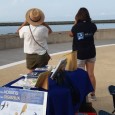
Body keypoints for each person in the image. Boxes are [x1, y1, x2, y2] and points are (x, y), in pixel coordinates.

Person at [69, 7, 97, 100]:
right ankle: (93, 95)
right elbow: (92, 31)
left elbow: (71, 34)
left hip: (80, 54)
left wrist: (76, 23)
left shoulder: (76, 27)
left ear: (78, 16)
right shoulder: (93, 25)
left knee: (80, 75)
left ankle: (83, 96)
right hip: (91, 53)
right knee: (91, 74)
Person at [17, 8, 52, 73]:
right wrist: (44, 23)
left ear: (29, 19)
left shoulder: (24, 29)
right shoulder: (43, 28)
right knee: (43, 74)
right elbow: (50, 31)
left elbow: (18, 31)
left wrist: (24, 23)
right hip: (42, 54)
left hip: (30, 55)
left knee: (31, 74)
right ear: (40, 19)